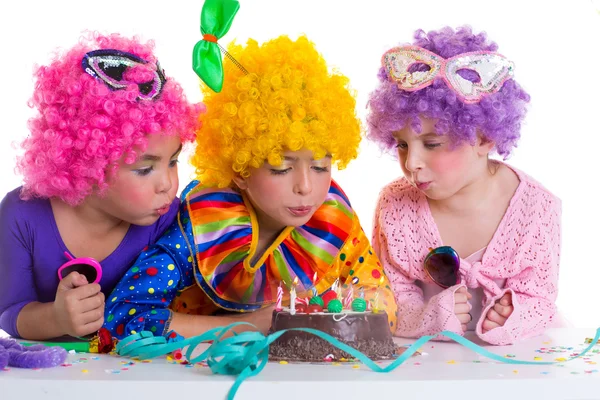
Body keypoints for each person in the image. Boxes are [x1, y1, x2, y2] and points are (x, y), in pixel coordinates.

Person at [104, 24, 398, 340]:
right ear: (240, 170)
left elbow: (386, 309)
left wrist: (339, 306)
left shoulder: (333, 221)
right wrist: (248, 326)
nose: (305, 187)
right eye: (281, 169)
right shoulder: (202, 224)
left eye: (320, 166)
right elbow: (123, 317)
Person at [0, 32, 202, 339]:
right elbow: (9, 312)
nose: (168, 184)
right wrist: (55, 319)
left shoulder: (171, 220)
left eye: (173, 161)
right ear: (85, 164)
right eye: (145, 169)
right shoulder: (21, 216)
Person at [367, 26, 561, 345]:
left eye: (431, 144)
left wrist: (514, 314)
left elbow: (540, 299)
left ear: (482, 137)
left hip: (511, 362)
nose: (411, 162)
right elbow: (388, 296)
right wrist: (432, 316)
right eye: (401, 144)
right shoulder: (395, 205)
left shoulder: (537, 208)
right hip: (423, 363)